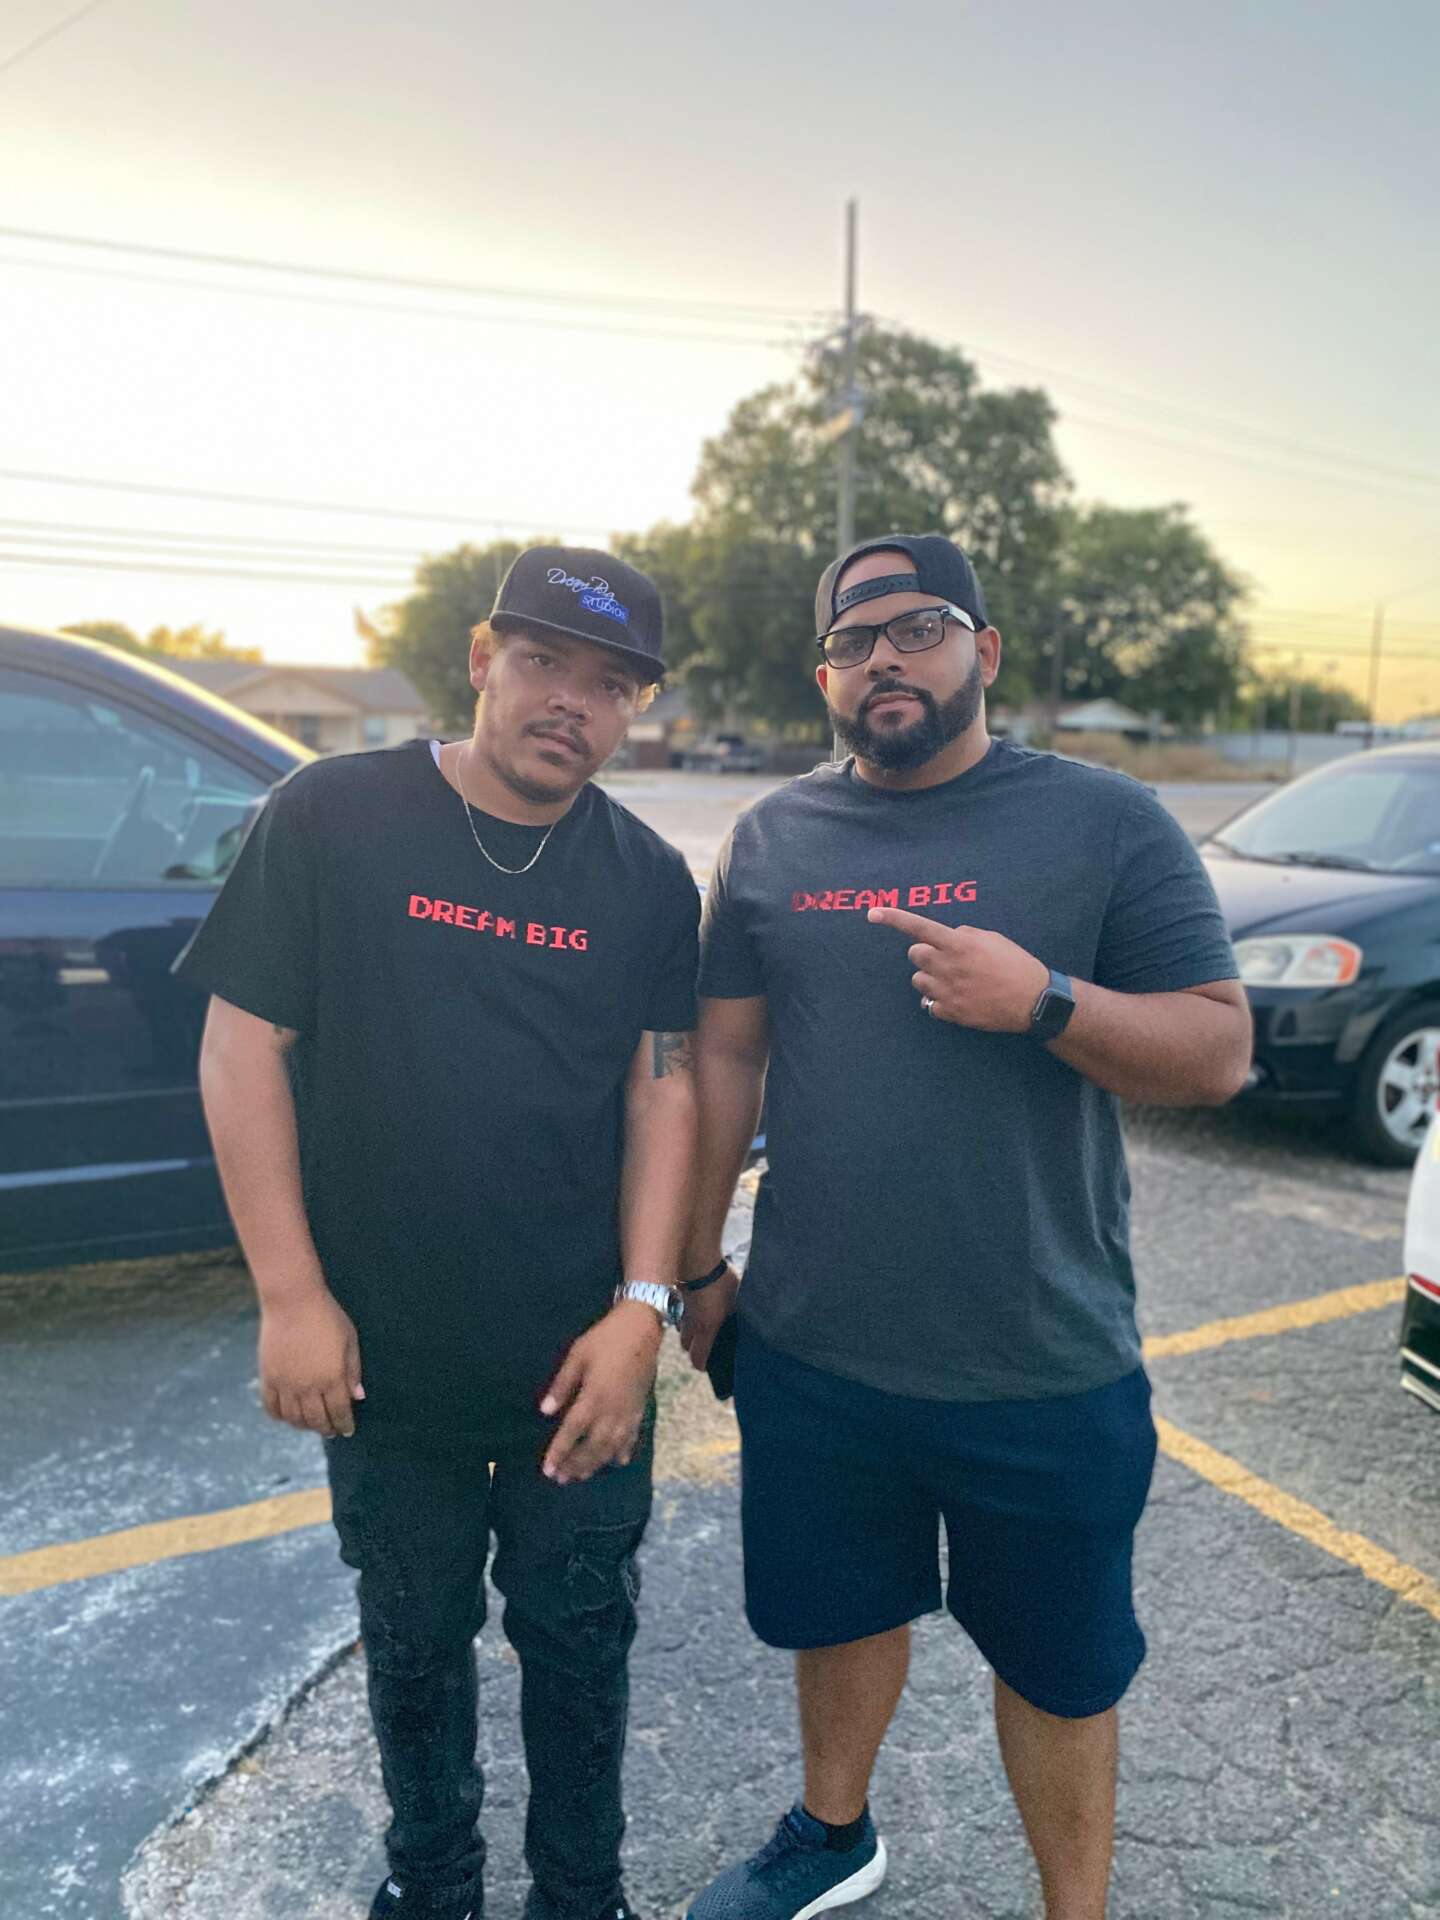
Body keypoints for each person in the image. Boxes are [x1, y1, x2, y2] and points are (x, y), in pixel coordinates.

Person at [679, 534, 1250, 1920]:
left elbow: (1218, 1052)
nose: (885, 657)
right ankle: (833, 1833)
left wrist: (1044, 1000)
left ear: (983, 652)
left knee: (1060, 1666)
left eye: (919, 627)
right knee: (839, 1611)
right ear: (825, 677)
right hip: (815, 1343)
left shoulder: (1105, 821)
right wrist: (696, 1267)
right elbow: (726, 1062)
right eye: (853, 640)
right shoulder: (773, 839)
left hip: (1039, 1353)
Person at [177, 546, 700, 1920]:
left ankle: (581, 1894)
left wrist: (642, 1308)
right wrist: (291, 1295)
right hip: (380, 1356)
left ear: (635, 708)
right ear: (481, 658)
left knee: (580, 1640)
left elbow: (662, 1089)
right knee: (412, 1640)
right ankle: (434, 1885)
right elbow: (241, 1048)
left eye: (611, 684)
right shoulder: (333, 814)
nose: (570, 702)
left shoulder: (649, 881)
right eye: (542, 662)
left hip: (577, 1365)